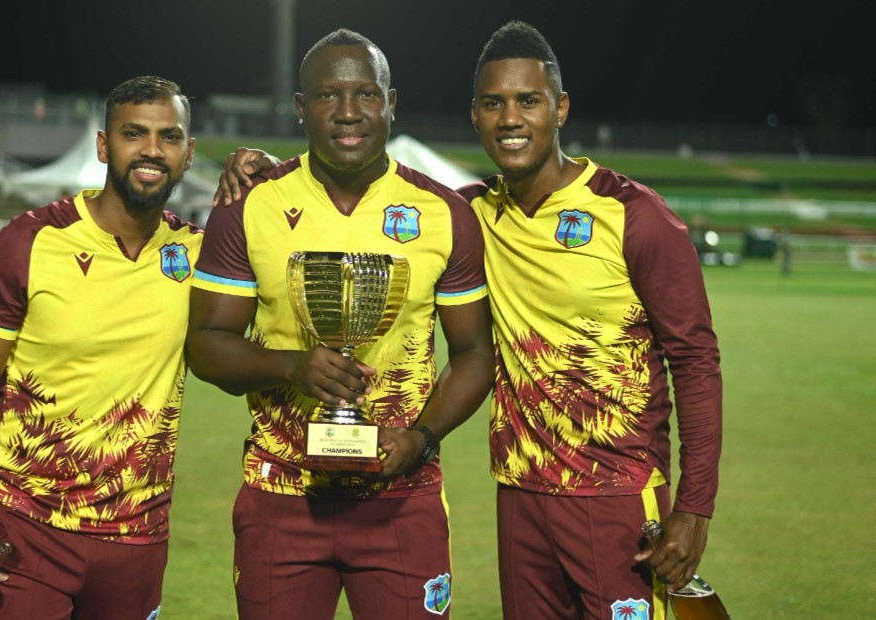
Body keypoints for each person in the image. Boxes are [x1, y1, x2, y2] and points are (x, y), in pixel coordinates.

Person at [215, 20, 723, 620]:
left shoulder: (634, 215)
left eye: (528, 101)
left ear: (559, 108)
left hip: (614, 492)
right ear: (476, 115)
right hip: (519, 495)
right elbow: (362, 200)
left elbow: (694, 359)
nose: (511, 119)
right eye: (494, 103)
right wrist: (275, 170)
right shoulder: (471, 211)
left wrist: (693, 509)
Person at [186, 29, 494, 620]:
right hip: (281, 496)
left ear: (391, 102)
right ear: (302, 108)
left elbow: (475, 351)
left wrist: (422, 439)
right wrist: (290, 367)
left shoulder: (442, 212)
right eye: (328, 96)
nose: (349, 112)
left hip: (401, 498)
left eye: (366, 94)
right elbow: (206, 347)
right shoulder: (250, 205)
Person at [0, 75, 202, 620]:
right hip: (25, 526)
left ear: (189, 153)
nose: (152, 150)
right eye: (134, 133)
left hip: (139, 536)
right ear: (104, 145)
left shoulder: (198, 255)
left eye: (169, 137)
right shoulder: (29, 244)